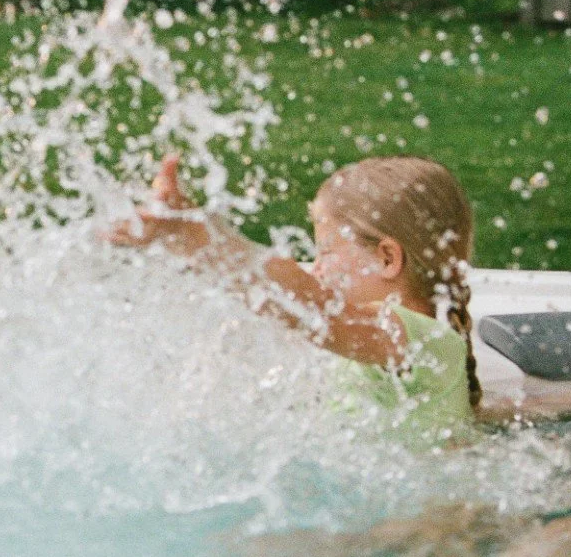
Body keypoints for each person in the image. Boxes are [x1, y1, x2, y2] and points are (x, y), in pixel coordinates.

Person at [109, 153, 480, 444]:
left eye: (326, 252)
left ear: (386, 258)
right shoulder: (395, 344)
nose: (316, 269)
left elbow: (317, 311)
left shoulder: (425, 340)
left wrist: (201, 238)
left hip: (419, 524)